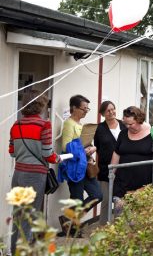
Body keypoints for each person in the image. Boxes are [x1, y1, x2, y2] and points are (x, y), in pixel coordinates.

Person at [8, 90, 59, 254]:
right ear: (41, 105)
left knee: (19, 216)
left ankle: (14, 250)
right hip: (35, 176)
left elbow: (12, 152)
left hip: (18, 174)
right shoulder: (45, 125)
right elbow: (48, 155)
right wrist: (59, 158)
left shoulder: (16, 125)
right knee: (30, 217)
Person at [110, 106, 153, 208]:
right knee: (120, 214)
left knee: (140, 215)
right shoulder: (123, 133)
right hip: (123, 182)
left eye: (131, 124)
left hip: (145, 184)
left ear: (139, 120)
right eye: (125, 124)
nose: (128, 127)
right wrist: (112, 171)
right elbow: (117, 153)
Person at [59, 95, 103, 235]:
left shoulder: (80, 125)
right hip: (74, 168)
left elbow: (83, 143)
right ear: (74, 108)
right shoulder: (69, 124)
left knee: (97, 195)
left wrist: (91, 148)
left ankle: (68, 220)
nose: (85, 111)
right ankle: (72, 228)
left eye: (87, 109)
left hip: (85, 165)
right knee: (77, 199)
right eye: (83, 109)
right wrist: (82, 150)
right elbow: (66, 147)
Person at [93, 100, 126, 225]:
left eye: (113, 109)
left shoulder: (123, 125)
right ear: (102, 113)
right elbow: (97, 149)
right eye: (108, 110)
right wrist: (96, 168)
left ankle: (119, 227)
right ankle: (103, 227)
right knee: (106, 199)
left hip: (123, 168)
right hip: (105, 169)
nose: (111, 112)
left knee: (120, 200)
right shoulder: (99, 129)